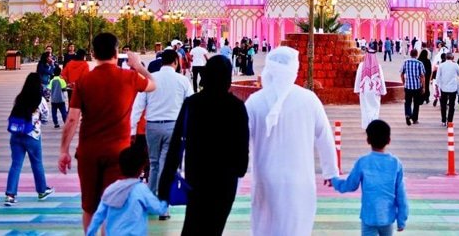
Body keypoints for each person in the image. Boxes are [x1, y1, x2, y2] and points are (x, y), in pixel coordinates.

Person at [58, 33, 156, 232]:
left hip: (89, 152)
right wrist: (137, 65)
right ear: (117, 52)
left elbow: (72, 119)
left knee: (89, 206)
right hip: (118, 153)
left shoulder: (84, 81)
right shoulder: (129, 77)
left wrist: (64, 150)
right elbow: (153, 84)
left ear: (93, 54)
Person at [245, 46, 339, 235]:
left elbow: (239, 142)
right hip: (300, 180)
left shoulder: (254, 101)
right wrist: (330, 171)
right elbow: (325, 135)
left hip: (265, 179)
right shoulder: (309, 99)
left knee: (266, 227)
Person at [159, 55, 249, 235]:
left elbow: (176, 143)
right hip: (225, 180)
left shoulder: (192, 103)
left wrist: (165, 181)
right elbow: (242, 145)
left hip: (197, 178)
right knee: (214, 228)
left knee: (193, 225)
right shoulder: (236, 107)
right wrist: (239, 170)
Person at [130, 49, 192, 206]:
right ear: (176, 62)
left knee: (154, 163)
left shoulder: (151, 79)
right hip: (173, 128)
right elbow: (191, 105)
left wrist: (131, 129)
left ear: (161, 61)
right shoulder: (182, 80)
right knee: (167, 165)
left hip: (152, 127)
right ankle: (163, 205)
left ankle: (150, 200)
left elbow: (138, 106)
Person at [331, 120, 409, 235]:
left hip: (368, 216)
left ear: (368, 140)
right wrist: (401, 219)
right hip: (387, 217)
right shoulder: (395, 163)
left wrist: (334, 180)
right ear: (389, 140)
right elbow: (401, 195)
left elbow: (350, 185)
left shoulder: (363, 162)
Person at [87, 141, 168, 236]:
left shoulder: (111, 189)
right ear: (141, 168)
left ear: (120, 167)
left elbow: (98, 215)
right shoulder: (141, 189)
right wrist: (165, 201)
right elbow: (158, 209)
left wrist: (90, 233)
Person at [4, 73, 54, 206]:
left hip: (16, 136)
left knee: (15, 165)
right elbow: (45, 118)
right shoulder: (40, 100)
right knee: (37, 163)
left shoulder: (19, 98)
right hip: (32, 136)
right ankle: (42, 190)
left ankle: (10, 195)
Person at [354, 50, 388, 129]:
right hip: (375, 91)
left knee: (365, 108)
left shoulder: (361, 65)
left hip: (365, 91)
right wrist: (383, 91)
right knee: (375, 108)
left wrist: (357, 90)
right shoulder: (378, 66)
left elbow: (358, 78)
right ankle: (374, 126)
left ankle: (367, 126)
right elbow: (381, 79)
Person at [400, 49, 426, 126]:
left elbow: (401, 74)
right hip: (417, 87)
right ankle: (415, 119)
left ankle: (408, 114)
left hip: (408, 86)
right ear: (417, 54)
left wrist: (404, 82)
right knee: (416, 103)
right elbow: (422, 76)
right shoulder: (419, 63)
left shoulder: (405, 62)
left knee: (407, 102)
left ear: (410, 54)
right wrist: (423, 87)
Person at [436, 52, 459, 125]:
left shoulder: (441, 65)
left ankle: (443, 120)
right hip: (453, 88)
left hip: (443, 88)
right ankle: (450, 121)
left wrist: (437, 86)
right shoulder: (455, 65)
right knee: (451, 105)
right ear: (452, 57)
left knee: (443, 105)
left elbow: (438, 77)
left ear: (446, 57)